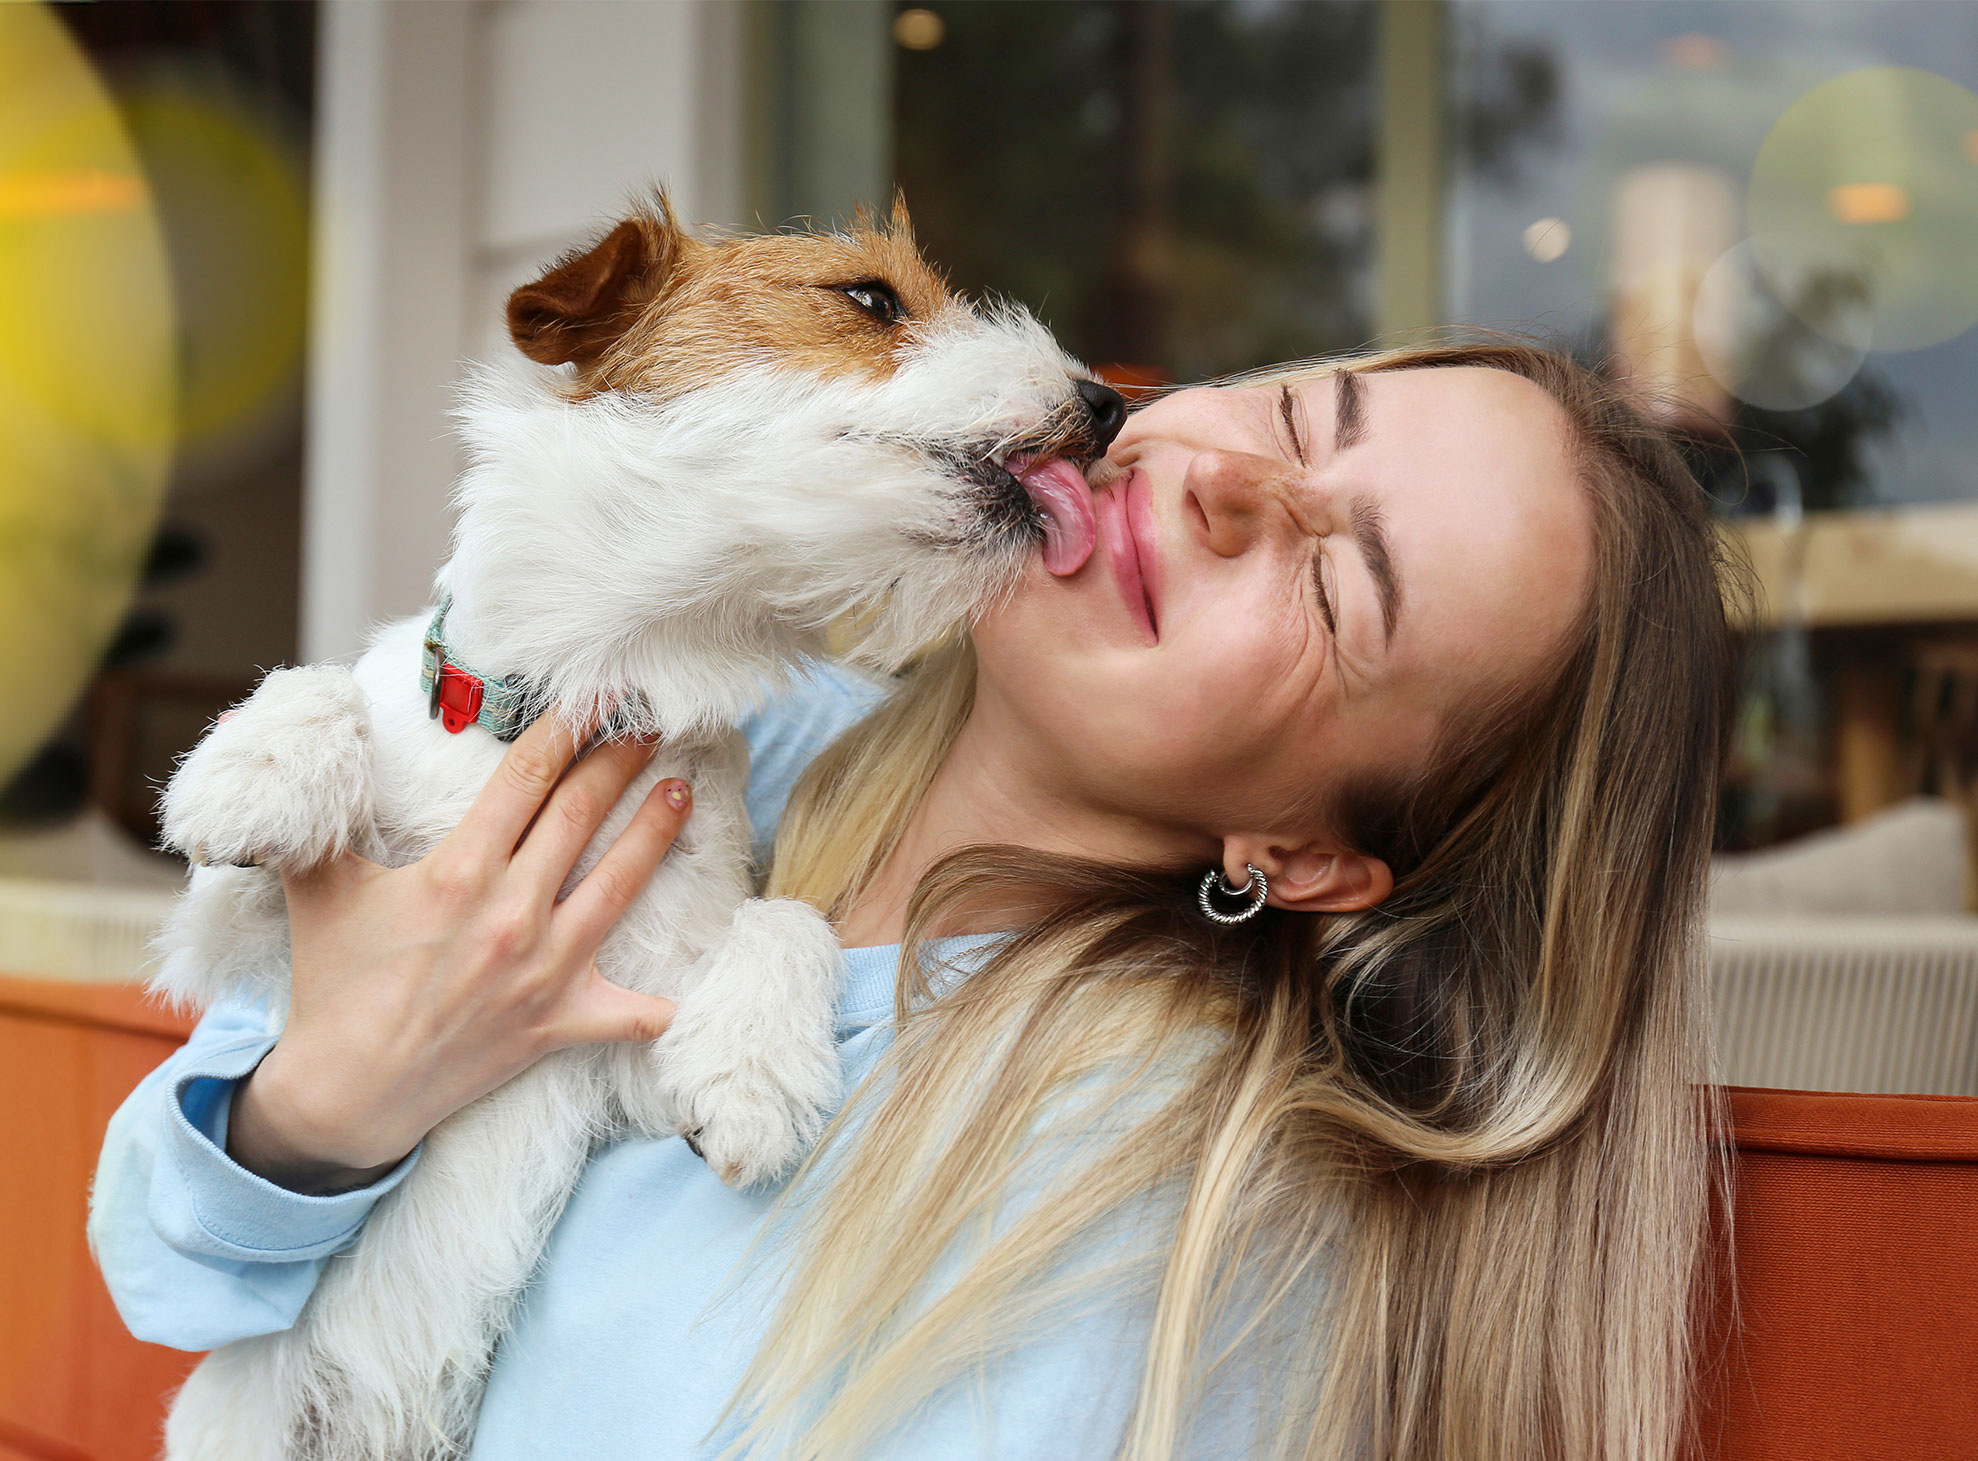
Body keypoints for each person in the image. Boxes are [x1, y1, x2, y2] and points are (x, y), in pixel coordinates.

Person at [90, 339, 1734, 1460]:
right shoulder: (715, 744)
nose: (1237, 486)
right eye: (1303, 412)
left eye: (1335, 585)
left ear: (1300, 857)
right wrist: (329, 1103)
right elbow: (159, 1258)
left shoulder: (1138, 1215)